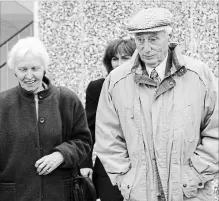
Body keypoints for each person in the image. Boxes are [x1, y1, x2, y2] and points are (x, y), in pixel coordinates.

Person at [94, 8, 218, 201]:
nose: (146, 48)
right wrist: (128, 180)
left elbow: (215, 131)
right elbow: (107, 139)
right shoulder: (116, 82)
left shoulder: (199, 76)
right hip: (140, 194)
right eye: (140, 40)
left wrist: (195, 175)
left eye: (153, 39)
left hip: (191, 194)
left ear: (168, 37)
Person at [0, 37, 92, 201]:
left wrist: (62, 155)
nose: (29, 75)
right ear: (14, 71)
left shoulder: (67, 99)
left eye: (35, 68)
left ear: (44, 69)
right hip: (15, 195)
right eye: (23, 69)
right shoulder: (2, 104)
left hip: (60, 194)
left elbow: (84, 141)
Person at [79, 38, 136, 201]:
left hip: (141, 168)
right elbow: (88, 129)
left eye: (125, 58)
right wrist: (85, 164)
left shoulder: (145, 87)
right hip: (107, 168)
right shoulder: (97, 88)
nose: (119, 63)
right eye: (115, 58)